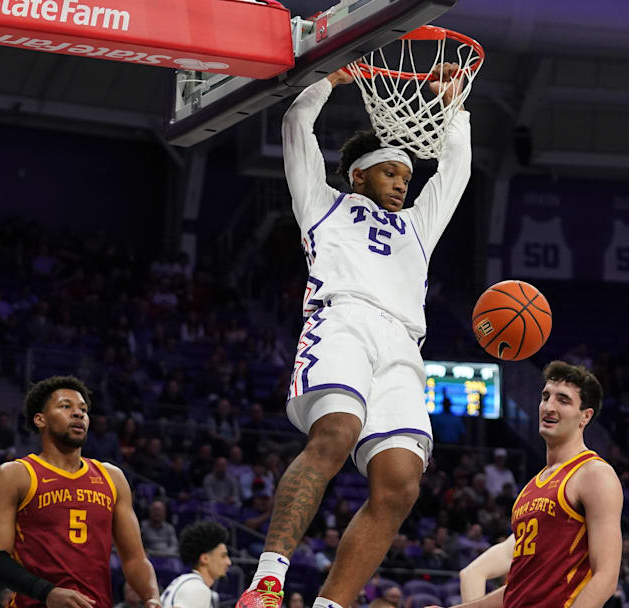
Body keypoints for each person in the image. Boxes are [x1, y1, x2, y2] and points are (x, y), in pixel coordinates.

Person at [235, 60, 472, 608]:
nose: (401, 183)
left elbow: (454, 171)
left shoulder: (418, 225)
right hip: (341, 321)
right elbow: (297, 129)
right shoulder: (323, 205)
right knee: (336, 433)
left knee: (401, 484)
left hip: (403, 346)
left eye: (407, 178)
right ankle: (268, 581)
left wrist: (454, 107)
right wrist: (324, 80)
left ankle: (330, 604)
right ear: (360, 173)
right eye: (392, 173)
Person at [440, 362, 623, 608]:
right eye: (546, 397)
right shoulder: (531, 487)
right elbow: (518, 591)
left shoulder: (594, 474)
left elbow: (606, 578)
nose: (549, 407)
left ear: (585, 416)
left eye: (563, 400)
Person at [0, 376, 159, 608]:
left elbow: (135, 559)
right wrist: (47, 593)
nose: (78, 414)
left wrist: (152, 597)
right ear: (40, 419)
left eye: (83, 409)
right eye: (66, 406)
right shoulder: (14, 475)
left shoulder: (112, 478)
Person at [161, 521, 231, 608]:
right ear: (205, 558)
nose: (229, 562)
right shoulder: (197, 588)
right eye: (223, 556)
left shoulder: (184, 582)